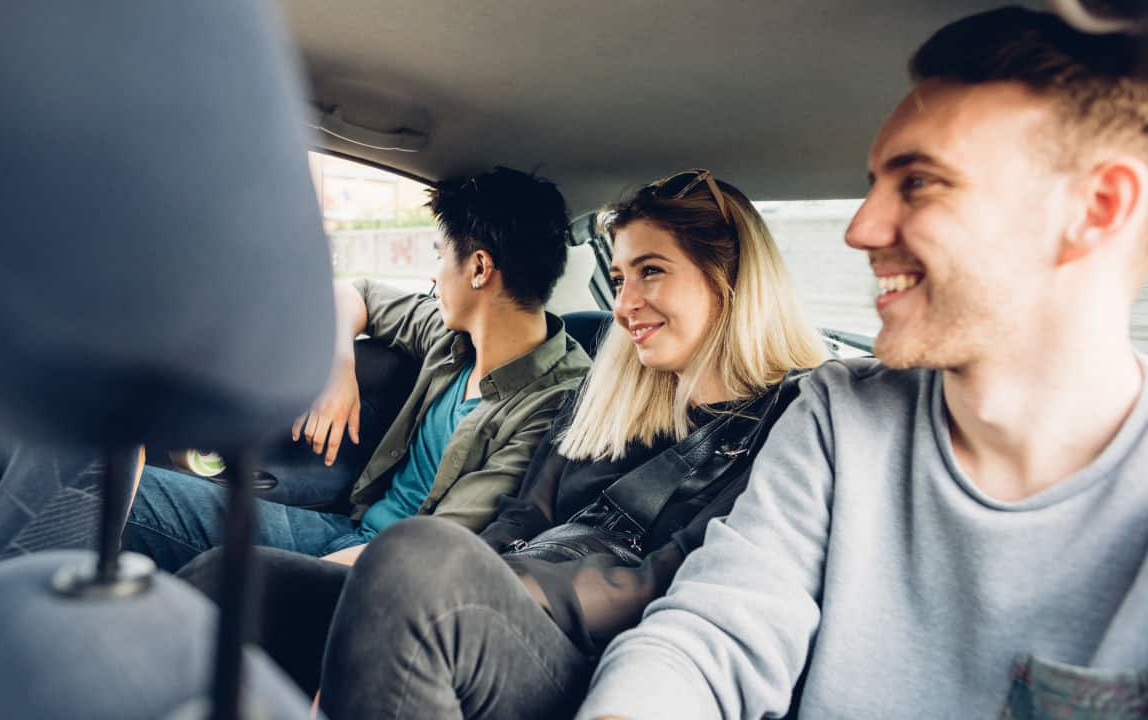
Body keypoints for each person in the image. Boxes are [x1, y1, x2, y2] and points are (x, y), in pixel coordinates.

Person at [579, 8, 1148, 719]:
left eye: (920, 183)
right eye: (874, 183)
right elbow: (712, 629)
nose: (861, 229)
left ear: (1096, 208)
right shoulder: (839, 416)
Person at [178, 170, 827, 719]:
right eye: (620, 277)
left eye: (650, 273)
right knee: (235, 579)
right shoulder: (614, 396)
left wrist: (482, 583)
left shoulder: (788, 424)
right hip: (511, 605)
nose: (625, 304)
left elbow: (663, 578)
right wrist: (462, 575)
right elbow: (524, 516)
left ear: (728, 276)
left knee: (418, 560)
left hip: (600, 658)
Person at [123, 166, 592, 571]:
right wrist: (338, 366)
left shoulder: (553, 402)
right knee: (124, 489)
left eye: (438, 253)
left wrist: (288, 578)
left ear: (479, 268)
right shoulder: (452, 335)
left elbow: (441, 545)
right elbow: (355, 291)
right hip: (347, 528)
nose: (433, 274)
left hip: (384, 575)